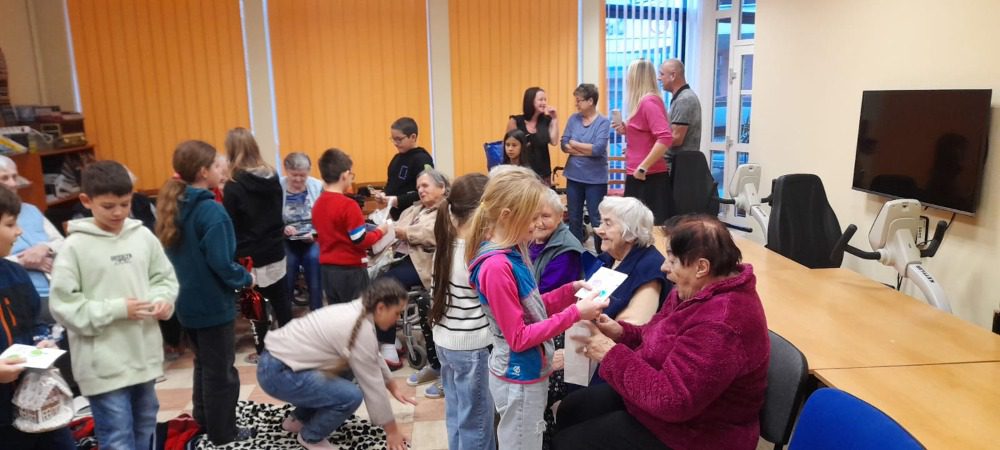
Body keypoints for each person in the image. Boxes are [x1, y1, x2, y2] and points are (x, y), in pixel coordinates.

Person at [554, 215, 769, 450]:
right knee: (571, 409)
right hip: (660, 404)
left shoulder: (720, 324)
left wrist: (610, 354)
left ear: (701, 267)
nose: (664, 267)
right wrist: (621, 333)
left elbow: (673, 401)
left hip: (700, 433)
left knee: (568, 443)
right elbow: (657, 335)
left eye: (673, 261)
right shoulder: (694, 290)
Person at [466, 165, 608, 450]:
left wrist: (569, 292)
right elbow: (519, 337)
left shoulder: (512, 252)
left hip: (528, 372)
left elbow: (531, 309)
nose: (536, 225)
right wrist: (575, 314)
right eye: (532, 218)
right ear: (507, 216)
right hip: (518, 376)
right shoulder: (496, 266)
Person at [49, 161, 179, 450]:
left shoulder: (142, 236)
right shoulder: (74, 247)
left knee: (146, 424)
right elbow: (63, 306)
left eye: (125, 204)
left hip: (143, 356)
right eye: (108, 206)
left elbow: (164, 278)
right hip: (102, 364)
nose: (118, 212)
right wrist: (118, 310)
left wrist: (162, 300)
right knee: (117, 434)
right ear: (86, 201)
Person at [156, 141, 256, 445]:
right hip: (212, 304)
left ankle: (203, 419)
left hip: (186, 304)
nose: (221, 169)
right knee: (221, 373)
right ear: (203, 172)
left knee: (203, 365)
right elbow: (222, 264)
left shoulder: (174, 204)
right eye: (216, 165)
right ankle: (223, 432)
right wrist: (246, 278)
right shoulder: (211, 211)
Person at [256, 278, 417, 450]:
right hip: (277, 373)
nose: (397, 319)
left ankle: (298, 419)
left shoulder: (358, 310)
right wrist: (392, 432)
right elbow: (373, 386)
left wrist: (392, 386)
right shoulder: (359, 326)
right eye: (397, 313)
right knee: (351, 396)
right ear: (381, 308)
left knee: (347, 368)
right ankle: (311, 437)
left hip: (275, 365)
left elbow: (371, 355)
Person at [0, 187, 75, 449]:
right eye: (10, 224)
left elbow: (35, 323)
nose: (19, 232)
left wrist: (43, 341)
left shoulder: (15, 273)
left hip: (36, 402)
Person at [428, 173, 495, 450]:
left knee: (457, 415)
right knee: (476, 424)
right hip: (472, 348)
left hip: (446, 341)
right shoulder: (476, 256)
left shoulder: (446, 245)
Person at [528, 189, 585, 450]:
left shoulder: (566, 250)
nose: (538, 222)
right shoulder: (533, 240)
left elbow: (546, 300)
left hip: (557, 326)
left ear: (561, 216)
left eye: (545, 216)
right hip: (538, 320)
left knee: (539, 394)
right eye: (533, 216)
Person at [223, 127, 292, 335]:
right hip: (275, 250)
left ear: (231, 151)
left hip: (249, 257)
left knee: (255, 309)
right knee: (282, 303)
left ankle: (262, 348)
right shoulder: (273, 177)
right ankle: (291, 345)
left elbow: (231, 225)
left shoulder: (233, 185)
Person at [380, 168, 449, 371]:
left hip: (423, 264)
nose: (420, 190)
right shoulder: (413, 209)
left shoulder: (447, 211)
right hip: (399, 258)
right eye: (418, 187)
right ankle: (388, 337)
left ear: (442, 187)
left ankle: (388, 344)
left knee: (383, 287)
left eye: (425, 185)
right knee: (365, 279)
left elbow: (431, 234)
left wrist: (400, 232)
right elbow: (395, 227)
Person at [312, 148, 388, 305]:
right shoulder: (348, 205)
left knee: (338, 315)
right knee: (358, 315)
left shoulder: (317, 204)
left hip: (327, 270)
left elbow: (318, 236)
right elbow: (360, 240)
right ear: (345, 175)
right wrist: (380, 231)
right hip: (351, 271)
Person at [0, 156, 64, 322]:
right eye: (4, 178)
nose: (13, 183)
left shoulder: (32, 210)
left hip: (58, 287)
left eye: (15, 176)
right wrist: (23, 261)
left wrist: (44, 248)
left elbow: (62, 243)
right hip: (20, 295)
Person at [612, 60, 672, 224]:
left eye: (629, 76)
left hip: (648, 177)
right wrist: (626, 129)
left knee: (648, 228)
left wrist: (643, 167)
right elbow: (644, 135)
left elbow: (665, 137)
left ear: (636, 78)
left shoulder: (649, 102)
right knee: (633, 227)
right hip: (637, 174)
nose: (627, 80)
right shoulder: (641, 103)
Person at [591, 197, 669, 323]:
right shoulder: (606, 259)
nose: (598, 230)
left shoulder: (650, 267)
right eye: (601, 222)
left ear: (631, 233)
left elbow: (633, 324)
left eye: (608, 224)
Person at [560, 83, 611, 247]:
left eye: (579, 100)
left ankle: (601, 255)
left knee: (596, 218)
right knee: (574, 217)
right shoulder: (573, 119)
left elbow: (598, 149)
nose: (576, 104)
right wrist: (586, 150)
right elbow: (564, 144)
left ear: (590, 101)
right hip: (574, 176)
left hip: (595, 180)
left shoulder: (603, 122)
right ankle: (575, 253)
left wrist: (575, 144)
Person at [280, 152, 324, 310]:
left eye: (302, 175)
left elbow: (324, 217)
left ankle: (317, 314)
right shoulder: (278, 187)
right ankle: (285, 315)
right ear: (286, 170)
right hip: (287, 239)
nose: (298, 179)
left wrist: (315, 233)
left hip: (311, 238)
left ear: (309, 171)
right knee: (288, 271)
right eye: (294, 175)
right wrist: (283, 228)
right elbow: (270, 217)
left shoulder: (317, 186)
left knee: (314, 265)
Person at [375, 117, 435, 221]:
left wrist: (397, 200)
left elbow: (426, 191)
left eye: (399, 139)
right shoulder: (396, 159)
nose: (395, 143)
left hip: (415, 217)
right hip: (396, 216)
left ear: (413, 137)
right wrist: (384, 194)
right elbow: (391, 184)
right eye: (393, 139)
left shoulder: (422, 159)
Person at [506, 87, 560, 184]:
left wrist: (555, 119)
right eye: (540, 100)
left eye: (545, 100)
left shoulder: (546, 120)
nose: (544, 103)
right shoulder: (515, 121)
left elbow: (554, 141)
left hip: (543, 174)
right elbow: (507, 146)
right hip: (522, 173)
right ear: (530, 101)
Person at [659, 59, 702, 160]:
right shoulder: (680, 98)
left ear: (673, 75)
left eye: (662, 74)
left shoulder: (684, 99)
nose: (659, 78)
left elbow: (676, 139)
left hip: (677, 165)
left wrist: (650, 147)